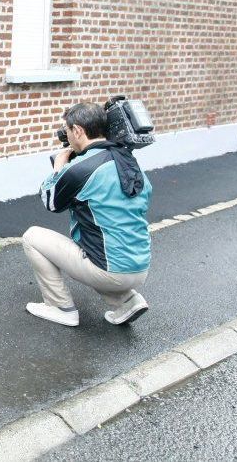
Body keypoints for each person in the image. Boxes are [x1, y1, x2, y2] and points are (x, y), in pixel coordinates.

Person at [23, 102, 152, 327]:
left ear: (78, 131)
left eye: (68, 130)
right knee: (100, 246)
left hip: (110, 270)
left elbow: (50, 201)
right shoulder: (128, 161)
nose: (67, 136)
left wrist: (60, 167)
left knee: (32, 237)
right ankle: (127, 301)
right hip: (140, 266)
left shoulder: (82, 168)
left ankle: (60, 307)